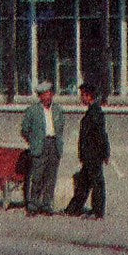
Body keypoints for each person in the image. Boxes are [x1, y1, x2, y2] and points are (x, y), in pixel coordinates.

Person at [64, 83, 110, 219]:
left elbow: (101, 135)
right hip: (89, 155)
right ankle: (73, 209)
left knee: (96, 183)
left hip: (93, 155)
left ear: (88, 96)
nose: (81, 98)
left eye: (82, 95)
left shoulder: (95, 112)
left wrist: (105, 153)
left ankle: (97, 212)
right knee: (83, 183)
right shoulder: (92, 111)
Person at [21, 80, 66, 216]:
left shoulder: (58, 109)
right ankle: (33, 205)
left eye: (49, 94)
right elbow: (24, 130)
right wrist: (33, 141)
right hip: (40, 145)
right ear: (40, 96)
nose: (47, 97)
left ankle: (47, 204)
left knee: (51, 177)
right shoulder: (32, 110)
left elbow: (61, 126)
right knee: (37, 176)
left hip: (54, 144)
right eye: (44, 94)